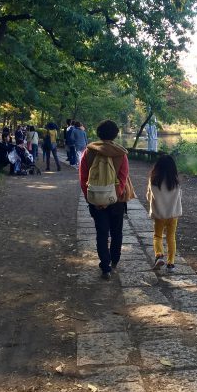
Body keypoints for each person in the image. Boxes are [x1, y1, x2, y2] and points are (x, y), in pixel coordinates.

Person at [79, 120, 130, 280]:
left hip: (96, 199)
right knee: (117, 232)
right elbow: (122, 178)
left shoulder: (89, 152)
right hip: (116, 201)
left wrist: (91, 198)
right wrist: (112, 197)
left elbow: (83, 177)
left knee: (101, 233)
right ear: (115, 134)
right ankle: (114, 260)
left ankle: (105, 267)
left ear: (98, 133)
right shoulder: (121, 153)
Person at [146, 154, 182, 272]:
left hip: (159, 215)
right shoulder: (175, 181)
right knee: (171, 237)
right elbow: (178, 197)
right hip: (173, 214)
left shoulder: (153, 180)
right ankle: (171, 264)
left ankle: (159, 255)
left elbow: (148, 196)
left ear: (158, 166)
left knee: (158, 236)